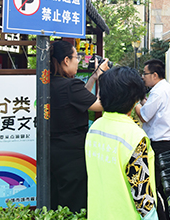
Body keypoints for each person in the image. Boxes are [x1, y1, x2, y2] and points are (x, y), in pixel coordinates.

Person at [85, 66, 160, 220]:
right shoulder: (135, 136)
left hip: (97, 214)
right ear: (134, 100)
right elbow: (142, 196)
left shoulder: (95, 127)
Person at [50, 40, 108, 212]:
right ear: (66, 60)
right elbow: (100, 105)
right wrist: (104, 77)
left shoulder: (49, 83)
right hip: (73, 155)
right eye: (77, 57)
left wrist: (94, 77)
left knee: (56, 200)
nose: (78, 62)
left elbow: (80, 97)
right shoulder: (70, 86)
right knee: (74, 202)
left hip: (53, 152)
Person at [134, 59, 170, 216]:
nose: (143, 77)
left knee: (157, 185)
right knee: (168, 184)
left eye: (145, 74)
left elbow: (144, 116)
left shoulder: (158, 91)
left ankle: (163, 216)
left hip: (159, 144)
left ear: (154, 75)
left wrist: (132, 101)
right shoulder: (168, 88)